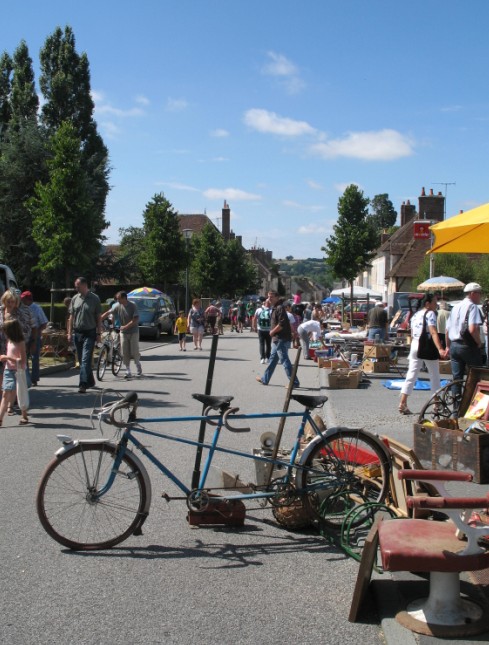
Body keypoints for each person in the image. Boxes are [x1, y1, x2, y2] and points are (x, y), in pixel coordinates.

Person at [399, 293, 448, 415]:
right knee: (434, 375)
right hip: (426, 346)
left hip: (415, 344)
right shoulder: (430, 314)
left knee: (411, 374)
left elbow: (411, 331)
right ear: (428, 303)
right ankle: (437, 404)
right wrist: (440, 348)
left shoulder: (416, 315)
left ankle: (403, 402)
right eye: (434, 302)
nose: (436, 304)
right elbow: (433, 332)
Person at [446, 282, 484, 396]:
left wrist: (447, 346)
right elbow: (472, 329)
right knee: (476, 376)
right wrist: (479, 343)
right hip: (467, 345)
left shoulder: (455, 307)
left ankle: (456, 406)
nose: (480, 296)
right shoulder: (472, 307)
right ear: (472, 294)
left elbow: (447, 329)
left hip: (454, 345)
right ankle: (472, 404)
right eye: (479, 294)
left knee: (457, 378)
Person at [255, 291, 299, 388]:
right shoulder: (275, 308)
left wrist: (272, 332)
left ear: (277, 298)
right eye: (268, 297)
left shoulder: (279, 308)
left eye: (271, 297)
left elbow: (282, 324)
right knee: (272, 360)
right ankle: (265, 379)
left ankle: (294, 383)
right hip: (277, 339)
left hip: (281, 338)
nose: (269, 299)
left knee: (284, 360)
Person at [67, 277, 102, 393]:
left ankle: (83, 384)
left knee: (86, 359)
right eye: (75, 286)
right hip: (78, 333)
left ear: (84, 285)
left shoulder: (94, 299)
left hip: (90, 332)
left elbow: (98, 318)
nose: (76, 288)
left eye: (77, 286)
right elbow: (71, 317)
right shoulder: (75, 299)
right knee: (82, 361)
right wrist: (69, 333)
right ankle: (91, 381)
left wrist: (99, 333)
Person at [101, 291, 142, 379]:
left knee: (134, 351)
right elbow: (108, 313)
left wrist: (126, 326)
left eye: (119, 298)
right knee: (124, 351)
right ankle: (128, 370)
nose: (117, 300)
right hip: (123, 332)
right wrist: (99, 320)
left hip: (133, 331)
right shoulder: (117, 306)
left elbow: (136, 319)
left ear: (124, 298)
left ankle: (138, 364)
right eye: (117, 298)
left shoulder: (132, 305)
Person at [0, 319, 29, 425]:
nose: (4, 333)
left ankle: (24, 415)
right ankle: (0, 419)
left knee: (20, 393)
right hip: (8, 370)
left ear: (11, 331)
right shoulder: (9, 341)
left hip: (19, 371)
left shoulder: (20, 342)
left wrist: (7, 357)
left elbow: (23, 360)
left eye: (6, 331)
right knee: (5, 393)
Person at [20, 291, 48, 386]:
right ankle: (27, 377)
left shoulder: (37, 308)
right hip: (25, 337)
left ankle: (34, 379)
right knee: (24, 358)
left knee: (35, 358)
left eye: (23, 298)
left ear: (28, 299)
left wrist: (37, 332)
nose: (21, 300)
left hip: (35, 337)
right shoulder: (21, 308)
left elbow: (44, 323)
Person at [254, 298, 272, 363]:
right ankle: (268, 357)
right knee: (268, 344)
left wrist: (254, 327)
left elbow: (255, 318)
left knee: (261, 344)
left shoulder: (258, 310)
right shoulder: (271, 310)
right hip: (269, 330)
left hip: (260, 329)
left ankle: (262, 358)